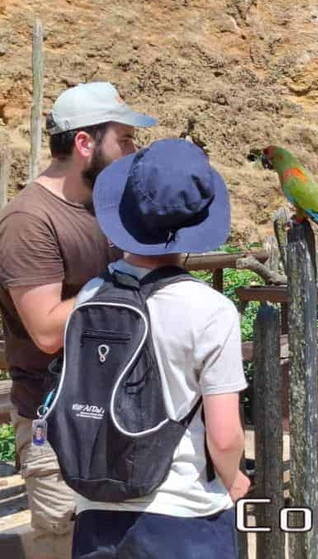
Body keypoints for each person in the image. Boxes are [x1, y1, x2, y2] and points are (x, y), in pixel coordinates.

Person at [70, 138, 250, 558]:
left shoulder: (90, 296)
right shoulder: (211, 311)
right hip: (185, 517)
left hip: (98, 512)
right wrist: (235, 480)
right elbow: (224, 437)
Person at [0, 81, 156, 558]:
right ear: (85, 143)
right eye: (124, 139)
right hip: (60, 427)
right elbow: (47, 330)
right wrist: (118, 282)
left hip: (118, 417)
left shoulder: (102, 207)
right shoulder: (30, 221)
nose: (132, 150)